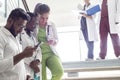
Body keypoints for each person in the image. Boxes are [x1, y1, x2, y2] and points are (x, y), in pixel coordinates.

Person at [0, 8, 36, 80]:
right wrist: (23, 54)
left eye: (23, 27)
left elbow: (16, 63)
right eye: (20, 26)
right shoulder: (1, 35)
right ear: (10, 20)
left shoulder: (15, 37)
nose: (21, 30)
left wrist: (25, 75)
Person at [34, 3, 64, 80]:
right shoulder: (33, 26)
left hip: (51, 53)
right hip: (39, 55)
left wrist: (53, 41)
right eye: (42, 18)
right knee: (42, 78)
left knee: (59, 72)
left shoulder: (51, 24)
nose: (44, 20)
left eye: (47, 18)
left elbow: (57, 39)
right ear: (37, 15)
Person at [18, 12, 42, 80]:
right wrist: (31, 63)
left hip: (35, 69)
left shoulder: (33, 37)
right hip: (25, 67)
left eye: (36, 23)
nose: (35, 25)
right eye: (33, 22)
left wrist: (37, 61)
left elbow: (39, 51)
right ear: (27, 22)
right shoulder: (19, 35)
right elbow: (19, 51)